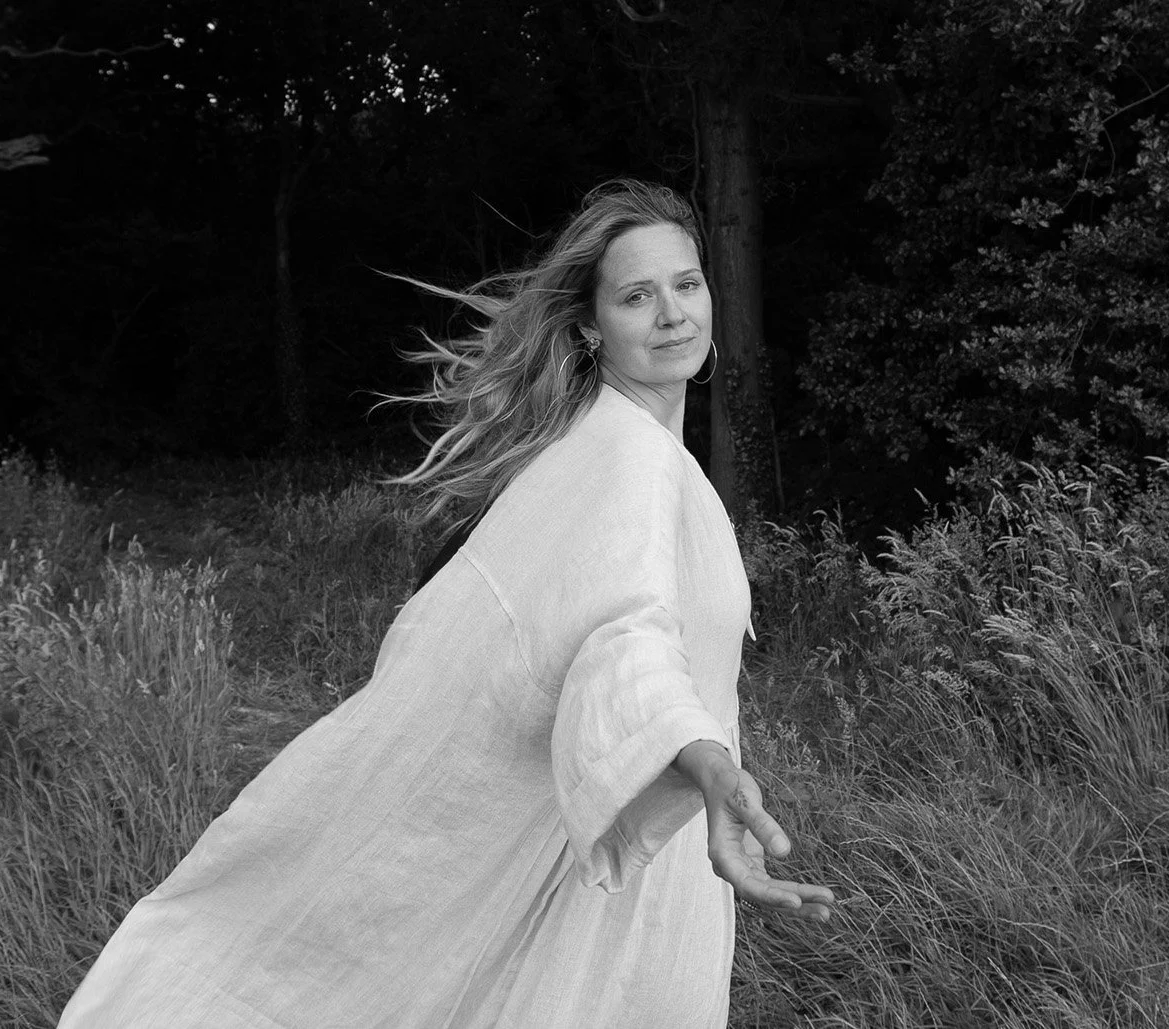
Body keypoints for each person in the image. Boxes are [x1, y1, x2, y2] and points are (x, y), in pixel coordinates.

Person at [57, 179, 835, 1028]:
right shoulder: (629, 463)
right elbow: (626, 637)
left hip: (649, 843)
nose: (673, 314)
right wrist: (710, 763)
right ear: (588, 325)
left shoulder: (615, 450)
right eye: (637, 295)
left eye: (687, 284)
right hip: (645, 856)